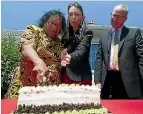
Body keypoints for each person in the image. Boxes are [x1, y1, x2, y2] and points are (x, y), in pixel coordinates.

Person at [5, 10, 66, 99]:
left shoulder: (61, 43)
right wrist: (39, 62)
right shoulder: (34, 31)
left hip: (50, 92)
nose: (54, 27)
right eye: (51, 23)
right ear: (44, 22)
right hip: (26, 87)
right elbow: (26, 48)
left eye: (58, 25)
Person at [94, 4, 143, 99]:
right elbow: (99, 59)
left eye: (119, 17)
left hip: (127, 82)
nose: (114, 19)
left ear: (125, 19)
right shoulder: (104, 36)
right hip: (107, 80)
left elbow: (141, 57)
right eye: (113, 15)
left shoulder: (133, 33)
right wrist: (97, 81)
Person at [61, 2, 93, 86]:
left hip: (81, 77)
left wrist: (69, 57)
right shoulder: (65, 33)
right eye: (71, 14)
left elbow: (81, 50)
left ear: (82, 17)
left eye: (77, 14)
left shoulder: (87, 32)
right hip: (65, 76)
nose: (73, 17)